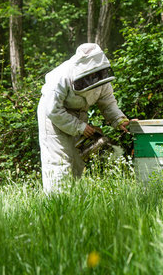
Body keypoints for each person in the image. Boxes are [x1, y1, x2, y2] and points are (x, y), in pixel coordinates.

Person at [37, 43, 130, 193]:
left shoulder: (101, 78)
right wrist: (79, 127)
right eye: (91, 75)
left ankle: (73, 203)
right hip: (53, 116)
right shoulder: (61, 77)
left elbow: (108, 103)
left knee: (77, 161)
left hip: (79, 115)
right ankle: (57, 204)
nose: (93, 77)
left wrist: (119, 120)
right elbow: (52, 109)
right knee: (59, 162)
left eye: (95, 74)